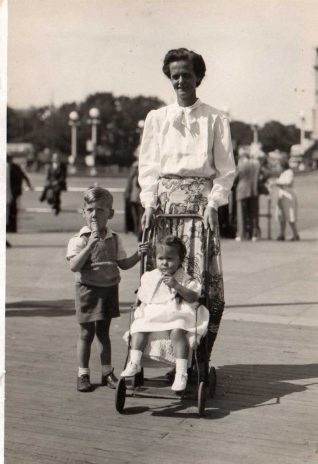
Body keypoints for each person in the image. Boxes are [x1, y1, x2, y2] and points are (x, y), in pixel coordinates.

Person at [138, 48, 236, 363]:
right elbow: (149, 168)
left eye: (187, 75)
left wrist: (213, 203)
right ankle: (173, 357)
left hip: (199, 213)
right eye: (175, 76)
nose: (181, 81)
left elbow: (225, 170)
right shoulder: (157, 118)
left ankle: (199, 359)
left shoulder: (215, 118)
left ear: (198, 78)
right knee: (163, 284)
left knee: (201, 286)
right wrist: (149, 203)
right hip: (166, 212)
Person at [66, 187, 148, 393]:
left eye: (101, 210)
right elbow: (74, 265)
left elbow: (123, 263)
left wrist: (139, 254)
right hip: (87, 291)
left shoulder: (115, 238)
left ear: (110, 214)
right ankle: (83, 373)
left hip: (109, 290)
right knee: (86, 333)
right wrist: (90, 245)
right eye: (90, 209)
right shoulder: (79, 239)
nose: (95, 214)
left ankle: (106, 372)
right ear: (83, 212)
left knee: (104, 332)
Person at [121, 235, 209, 392]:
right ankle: (134, 362)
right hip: (155, 312)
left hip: (177, 311)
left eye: (170, 259)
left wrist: (177, 286)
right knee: (139, 327)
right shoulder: (151, 276)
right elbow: (144, 297)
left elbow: (193, 296)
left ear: (180, 260)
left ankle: (181, 373)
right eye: (160, 258)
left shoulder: (185, 278)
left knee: (177, 330)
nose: (164, 263)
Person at [235, 150, 260, 241]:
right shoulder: (255, 164)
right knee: (253, 213)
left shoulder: (241, 164)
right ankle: (254, 234)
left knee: (241, 213)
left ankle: (241, 234)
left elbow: (235, 177)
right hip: (253, 190)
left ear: (241, 157)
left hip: (242, 190)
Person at [274, 160, 300, 241]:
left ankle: (295, 234)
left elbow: (288, 182)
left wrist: (277, 182)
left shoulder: (289, 172)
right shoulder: (283, 173)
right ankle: (281, 234)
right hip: (282, 196)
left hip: (289, 196)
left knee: (290, 216)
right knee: (281, 216)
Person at [7, 157, 33, 232]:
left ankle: (11, 228)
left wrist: (29, 184)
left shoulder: (14, 167)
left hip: (13, 192)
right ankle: (11, 227)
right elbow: (24, 176)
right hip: (12, 192)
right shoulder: (15, 167)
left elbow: (23, 176)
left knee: (12, 211)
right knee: (12, 211)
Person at [124, 146, 144, 239]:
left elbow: (130, 182)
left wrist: (127, 193)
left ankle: (139, 233)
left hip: (135, 196)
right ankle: (140, 234)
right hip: (138, 196)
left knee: (137, 217)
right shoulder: (140, 166)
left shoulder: (136, 166)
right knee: (139, 216)